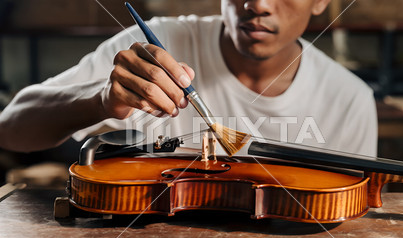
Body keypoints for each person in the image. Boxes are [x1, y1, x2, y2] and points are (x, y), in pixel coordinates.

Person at [0, 0, 377, 156]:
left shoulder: (349, 99)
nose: (258, 5)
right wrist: (100, 99)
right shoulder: (158, 42)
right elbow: (10, 129)